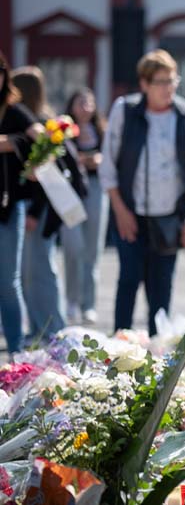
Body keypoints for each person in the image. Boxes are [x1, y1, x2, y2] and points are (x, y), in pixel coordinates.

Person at [99, 49, 185, 335]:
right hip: (130, 211)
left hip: (169, 214)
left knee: (162, 286)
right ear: (145, 84)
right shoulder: (125, 110)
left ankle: (158, 354)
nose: (169, 88)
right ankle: (120, 348)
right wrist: (120, 210)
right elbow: (108, 164)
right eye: (161, 82)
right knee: (128, 280)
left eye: (172, 81)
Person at [13, 67, 80, 341]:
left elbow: (45, 176)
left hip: (39, 210)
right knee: (31, 271)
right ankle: (40, 326)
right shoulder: (41, 122)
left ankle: (53, 327)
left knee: (41, 270)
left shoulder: (40, 125)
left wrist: (33, 211)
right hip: (38, 209)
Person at [0, 51, 42, 354]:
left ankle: (15, 346)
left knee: (8, 280)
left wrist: (12, 142)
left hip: (8, 205)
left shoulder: (14, 111)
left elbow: (41, 137)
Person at [60, 88, 108, 325]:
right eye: (81, 102)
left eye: (89, 102)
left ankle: (88, 304)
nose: (86, 107)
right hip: (71, 191)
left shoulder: (102, 130)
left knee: (92, 248)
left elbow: (111, 157)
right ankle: (71, 299)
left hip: (97, 188)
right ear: (72, 105)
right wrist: (78, 159)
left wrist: (98, 160)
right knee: (72, 247)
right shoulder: (64, 131)